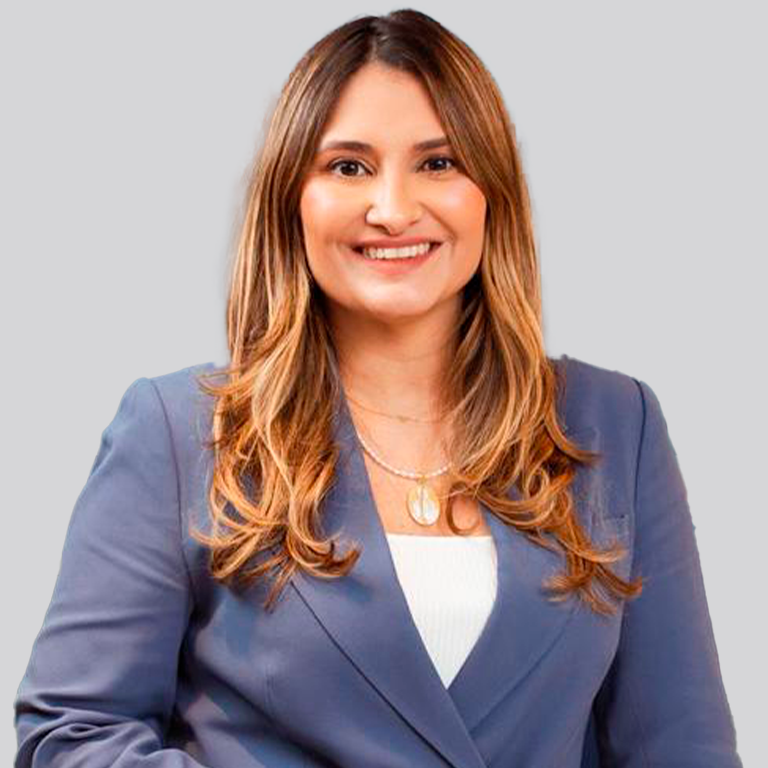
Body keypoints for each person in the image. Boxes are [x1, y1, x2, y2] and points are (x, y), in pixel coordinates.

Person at [13, 8, 742, 768]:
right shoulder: (179, 433)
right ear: (292, 197)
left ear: (492, 192)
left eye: (439, 162)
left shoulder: (616, 423)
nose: (393, 210)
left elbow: (683, 747)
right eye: (348, 167)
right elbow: (74, 733)